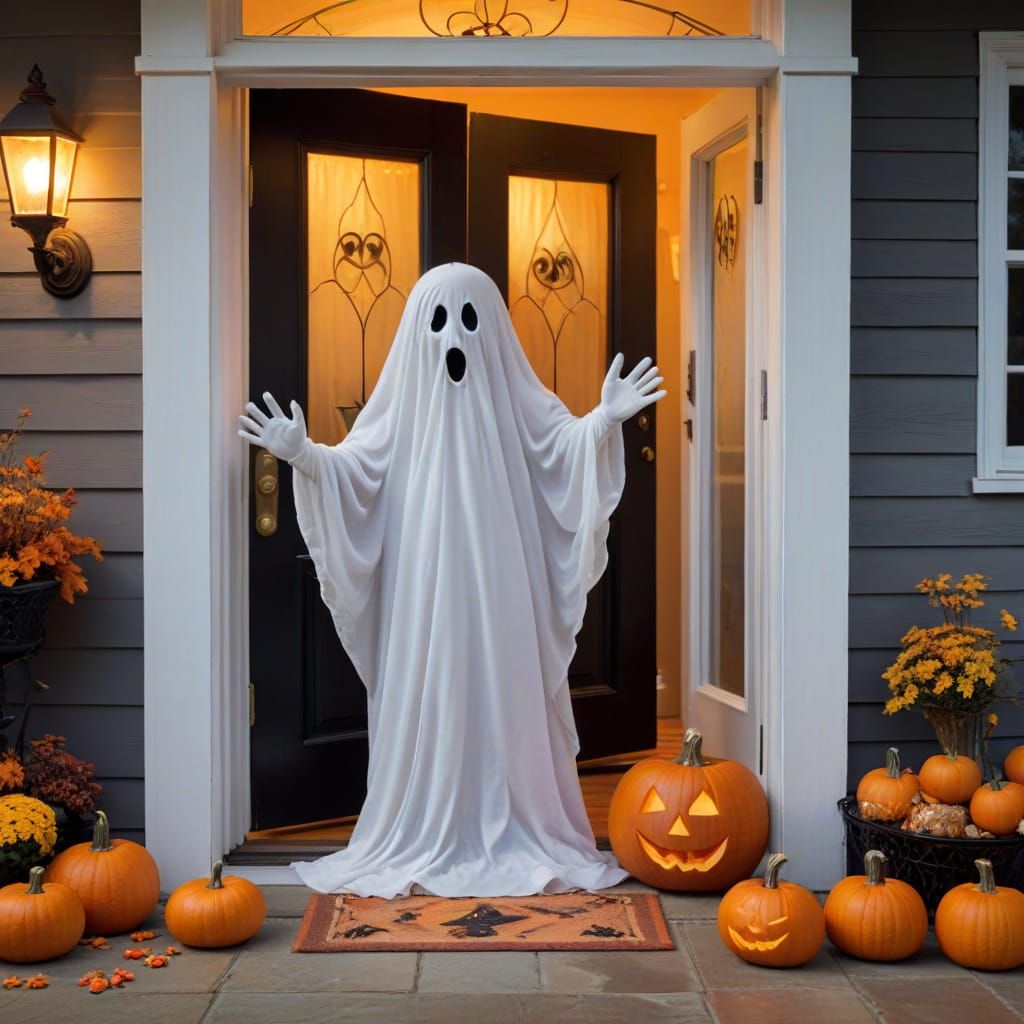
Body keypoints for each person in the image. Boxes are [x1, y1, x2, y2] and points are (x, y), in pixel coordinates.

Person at [239, 263, 664, 897]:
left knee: (502, 686)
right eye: (437, 322)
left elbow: (562, 448)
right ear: (417, 331)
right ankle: (426, 821)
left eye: (468, 321)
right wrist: (304, 454)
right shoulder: (398, 409)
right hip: (421, 599)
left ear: (492, 329)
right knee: (430, 688)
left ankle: (514, 817)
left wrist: (603, 421)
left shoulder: (522, 404)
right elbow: (356, 468)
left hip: (505, 596)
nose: (454, 339)